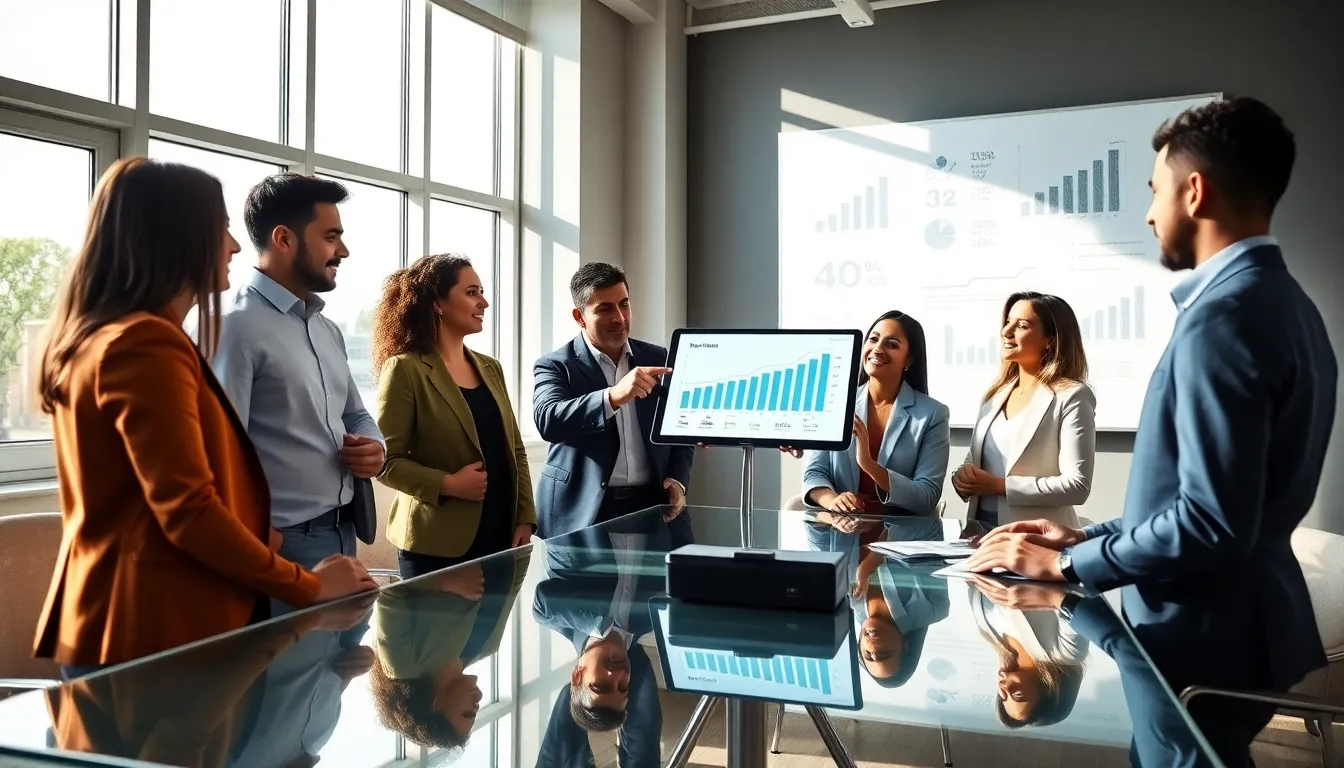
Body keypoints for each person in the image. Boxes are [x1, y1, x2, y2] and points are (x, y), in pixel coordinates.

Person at [967, 96, 1337, 765]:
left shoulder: (1224, 318)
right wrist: (1087, 534)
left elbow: (1211, 522)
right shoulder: (1291, 307)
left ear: (1194, 191)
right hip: (1240, 629)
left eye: (1154, 189)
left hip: (1198, 635)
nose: (1147, 212)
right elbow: (1214, 507)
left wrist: (1067, 563)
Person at [34, 158, 372, 678]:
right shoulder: (145, 342)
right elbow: (188, 508)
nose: (235, 246)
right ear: (178, 238)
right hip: (147, 628)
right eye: (221, 229)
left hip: (124, 623)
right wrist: (309, 586)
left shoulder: (106, 336)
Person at [203, 173, 386, 588]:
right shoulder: (234, 328)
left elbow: (355, 415)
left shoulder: (328, 329)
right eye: (331, 237)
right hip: (281, 545)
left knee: (343, 655)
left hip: (344, 534)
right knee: (290, 656)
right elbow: (219, 455)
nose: (343, 250)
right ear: (284, 239)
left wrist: (375, 446)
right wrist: (262, 541)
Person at [372, 254, 535, 579]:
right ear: (438, 303)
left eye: (482, 292)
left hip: (502, 538)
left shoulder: (491, 367)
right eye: (472, 292)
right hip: (435, 550)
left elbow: (514, 449)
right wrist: (448, 484)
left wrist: (525, 517)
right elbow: (385, 462)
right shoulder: (405, 369)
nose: (484, 302)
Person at [532, 262, 695, 538]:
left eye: (624, 304)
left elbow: (681, 426)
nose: (620, 317)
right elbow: (549, 419)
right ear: (580, 317)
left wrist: (678, 480)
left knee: (657, 583)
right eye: (605, 309)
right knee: (586, 584)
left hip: (652, 507)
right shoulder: (555, 365)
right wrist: (612, 396)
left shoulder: (658, 358)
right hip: (581, 512)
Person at [799, 310, 951, 542]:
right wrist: (833, 500)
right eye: (873, 339)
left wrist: (869, 465)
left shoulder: (933, 414)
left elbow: (926, 497)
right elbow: (815, 473)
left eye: (892, 344)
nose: (878, 348)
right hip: (838, 535)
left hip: (897, 542)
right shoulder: (836, 403)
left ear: (909, 359)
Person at [532, 512, 676, 754]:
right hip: (650, 491)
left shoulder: (556, 616)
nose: (617, 674)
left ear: (577, 675)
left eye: (602, 685)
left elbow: (542, 601)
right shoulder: (654, 616)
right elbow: (680, 543)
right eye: (623, 687)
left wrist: (602, 627)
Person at [951, 292, 1095, 529]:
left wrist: (999, 486)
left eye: (1022, 325)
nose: (1006, 332)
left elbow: (1077, 486)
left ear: (1050, 340)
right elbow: (975, 462)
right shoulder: (995, 395)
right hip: (980, 533)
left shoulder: (1072, 396)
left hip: (1038, 540)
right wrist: (962, 478)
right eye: (1008, 322)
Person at [368, 548, 529, 756]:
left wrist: (442, 581)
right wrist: (525, 532)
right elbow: (514, 580)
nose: (478, 704)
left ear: (434, 707)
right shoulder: (488, 647)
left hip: (443, 529)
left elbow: (388, 585)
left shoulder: (403, 664)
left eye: (468, 713)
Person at [966, 580, 1088, 728]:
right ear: (1050, 689)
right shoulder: (1067, 653)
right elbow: (1077, 595)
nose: (1004, 688)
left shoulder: (988, 633)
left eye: (1003, 696)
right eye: (1017, 695)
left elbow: (973, 583)